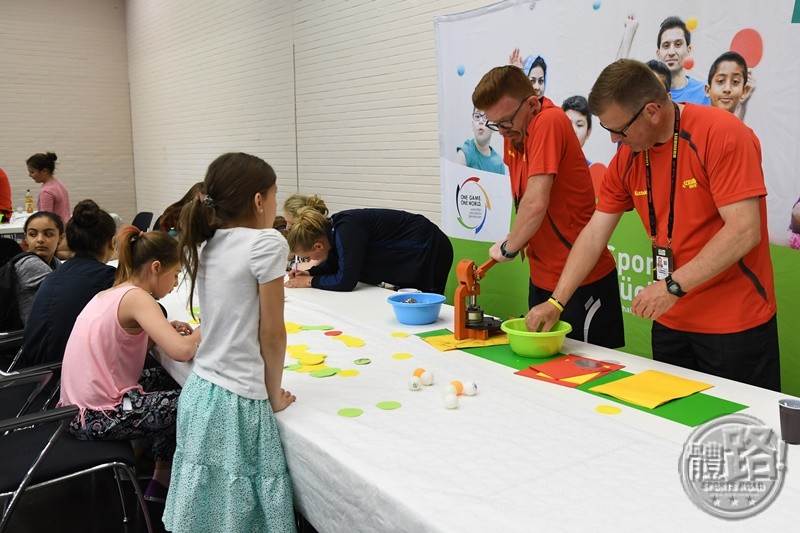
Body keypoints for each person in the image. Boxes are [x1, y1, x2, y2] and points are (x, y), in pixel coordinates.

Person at [527, 59, 779, 391]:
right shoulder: (629, 156)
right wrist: (556, 302)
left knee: (737, 435)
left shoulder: (722, 134)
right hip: (670, 321)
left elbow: (744, 230)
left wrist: (672, 286)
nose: (615, 140)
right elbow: (594, 233)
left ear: (651, 112)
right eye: (607, 130)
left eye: (619, 130)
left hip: (733, 324)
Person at [164, 152, 296, 532]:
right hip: (237, 402)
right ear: (259, 201)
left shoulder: (208, 242)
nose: (274, 204)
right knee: (238, 514)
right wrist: (273, 394)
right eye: (273, 195)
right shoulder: (266, 243)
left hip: (201, 392)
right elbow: (272, 332)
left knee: (206, 510)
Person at [472, 65, 624, 348]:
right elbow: (525, 200)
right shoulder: (514, 134)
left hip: (581, 281)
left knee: (587, 379)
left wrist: (509, 248)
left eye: (506, 122)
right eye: (496, 125)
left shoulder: (548, 121)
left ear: (531, 104)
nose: (503, 132)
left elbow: (535, 203)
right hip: (542, 278)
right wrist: (515, 237)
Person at [58, 224, 200, 501]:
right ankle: (173, 482)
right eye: (175, 275)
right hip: (97, 416)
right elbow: (182, 351)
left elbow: (122, 348)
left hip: (77, 408)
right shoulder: (137, 297)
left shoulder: (114, 292)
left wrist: (162, 329)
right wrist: (205, 329)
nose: (174, 284)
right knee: (196, 401)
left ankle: (162, 477)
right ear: (156, 267)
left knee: (167, 381)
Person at [19, 200, 117, 367]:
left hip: (35, 371)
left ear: (65, 239)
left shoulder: (57, 273)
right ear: (112, 242)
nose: (40, 240)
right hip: (62, 375)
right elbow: (149, 312)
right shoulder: (105, 277)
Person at [285, 207, 454, 294]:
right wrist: (311, 273)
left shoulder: (346, 230)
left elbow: (346, 281)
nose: (307, 261)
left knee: (424, 303)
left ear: (318, 246)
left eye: (306, 257)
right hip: (414, 250)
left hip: (428, 247)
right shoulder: (333, 231)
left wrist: (310, 281)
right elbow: (336, 264)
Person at [14, 211, 64, 325]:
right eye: (32, 234)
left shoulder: (55, 263)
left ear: (61, 238)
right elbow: (70, 296)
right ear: (25, 238)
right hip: (27, 337)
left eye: (48, 234)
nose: (40, 239)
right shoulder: (30, 264)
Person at [656, 17, 710, 105]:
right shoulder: (648, 92)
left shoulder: (705, 93)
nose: (671, 52)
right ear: (658, 53)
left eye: (678, 44)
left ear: (688, 50)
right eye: (666, 46)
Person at [455, 108, 506, 174]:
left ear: (493, 126)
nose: (481, 121)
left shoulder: (498, 163)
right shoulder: (465, 153)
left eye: (486, 117)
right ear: (473, 125)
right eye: (477, 116)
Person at [705, 51, 752, 120]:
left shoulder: (745, 131)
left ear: (744, 91)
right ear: (708, 90)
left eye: (735, 82)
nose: (727, 89)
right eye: (720, 81)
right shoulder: (692, 127)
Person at [26, 152, 71, 223]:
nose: (29, 175)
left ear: (44, 171)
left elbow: (45, 220)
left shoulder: (46, 191)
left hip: (56, 231)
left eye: (32, 172)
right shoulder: (59, 184)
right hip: (65, 227)